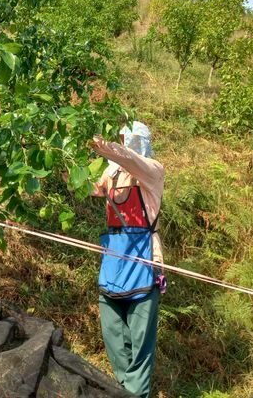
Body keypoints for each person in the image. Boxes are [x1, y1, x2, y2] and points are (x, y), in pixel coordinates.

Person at [90, 121, 165, 398]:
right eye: (121, 138)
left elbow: (128, 158)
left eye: (128, 138)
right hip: (114, 259)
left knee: (140, 340)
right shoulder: (113, 173)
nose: (124, 143)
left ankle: (136, 393)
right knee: (112, 333)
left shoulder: (152, 170)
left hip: (143, 259)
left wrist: (97, 144)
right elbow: (89, 186)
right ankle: (123, 390)